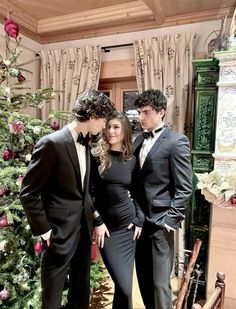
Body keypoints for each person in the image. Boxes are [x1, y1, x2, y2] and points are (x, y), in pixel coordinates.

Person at [19, 89, 115, 309]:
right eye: (103, 120)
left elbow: (84, 193)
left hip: (83, 231)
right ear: (92, 115)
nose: (104, 127)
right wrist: (45, 231)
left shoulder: (87, 144)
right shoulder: (51, 144)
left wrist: (97, 220)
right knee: (52, 300)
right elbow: (28, 193)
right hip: (58, 235)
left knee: (80, 294)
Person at [132, 89, 192, 309]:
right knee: (144, 279)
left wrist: (170, 220)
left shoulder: (176, 142)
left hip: (160, 224)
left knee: (160, 285)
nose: (141, 117)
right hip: (139, 224)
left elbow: (185, 188)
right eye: (139, 112)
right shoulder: (138, 140)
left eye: (146, 112)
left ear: (161, 112)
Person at [91, 111, 144, 309]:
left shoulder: (131, 160)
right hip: (107, 231)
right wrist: (97, 221)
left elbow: (137, 193)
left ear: (125, 131)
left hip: (128, 228)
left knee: (125, 289)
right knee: (124, 286)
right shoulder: (96, 157)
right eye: (109, 126)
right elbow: (87, 194)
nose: (111, 131)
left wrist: (140, 219)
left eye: (116, 127)